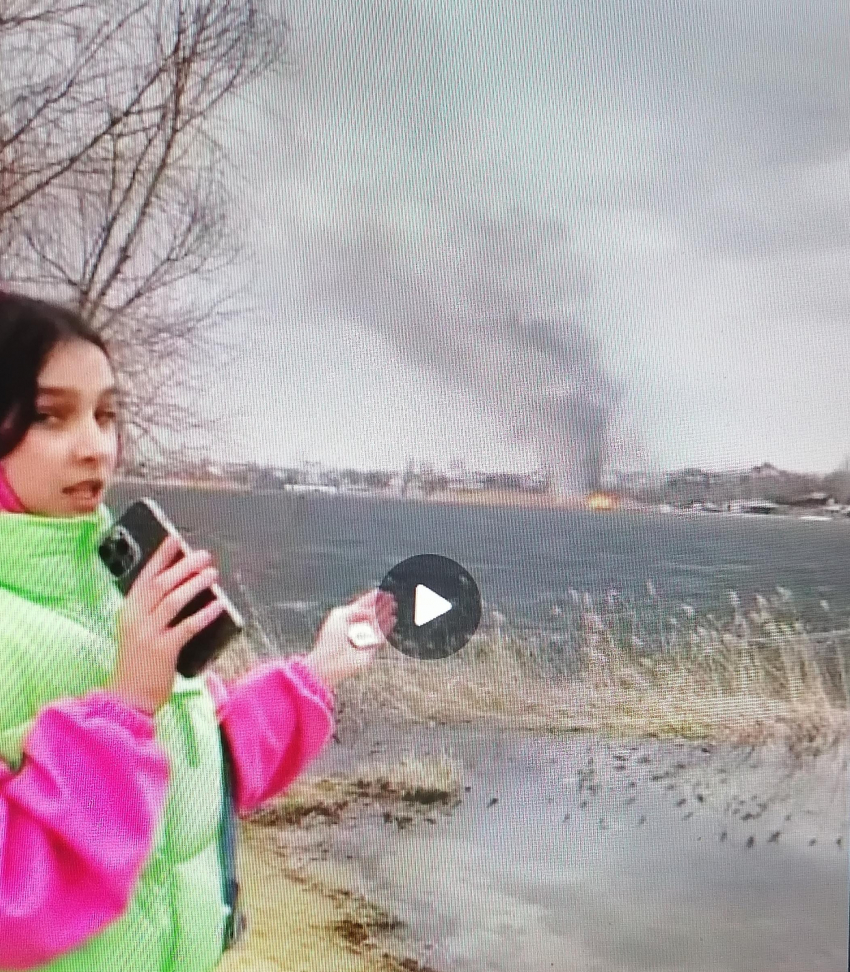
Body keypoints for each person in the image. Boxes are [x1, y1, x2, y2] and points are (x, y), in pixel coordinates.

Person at [0, 290, 397, 971]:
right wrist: (123, 705)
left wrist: (318, 671)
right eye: (50, 415)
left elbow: (200, 773)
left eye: (107, 414)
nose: (95, 446)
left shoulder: (114, 593)